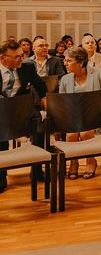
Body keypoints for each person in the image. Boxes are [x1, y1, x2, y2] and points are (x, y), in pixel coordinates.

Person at [59, 47, 101, 180]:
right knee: (71, 134)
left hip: (95, 115)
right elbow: (62, 100)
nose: (65, 63)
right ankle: (74, 162)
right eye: (65, 60)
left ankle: (91, 161)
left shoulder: (98, 74)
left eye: (69, 61)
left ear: (81, 62)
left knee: (85, 133)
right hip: (74, 116)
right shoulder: (65, 79)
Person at [0, 41, 47, 193]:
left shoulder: (26, 67)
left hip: (21, 107)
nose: (21, 59)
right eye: (17, 57)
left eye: (22, 55)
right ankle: (1, 175)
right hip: (1, 110)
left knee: (39, 126)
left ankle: (37, 170)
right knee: (2, 137)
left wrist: (44, 97)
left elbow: (39, 83)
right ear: (2, 59)